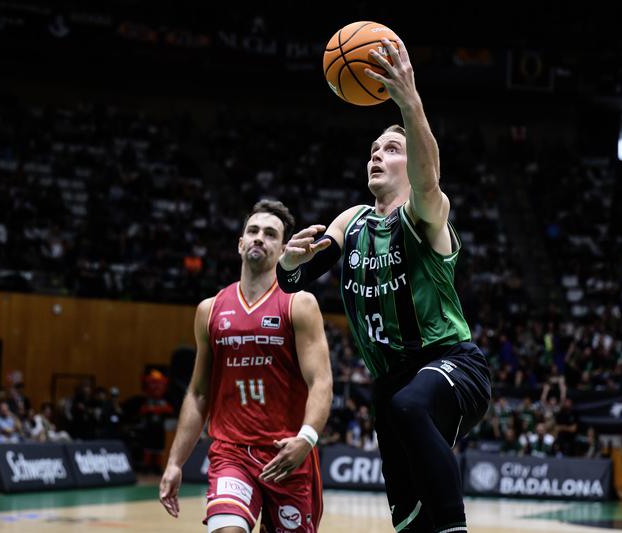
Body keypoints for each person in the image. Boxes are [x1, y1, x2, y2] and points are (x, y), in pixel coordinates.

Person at [276, 39, 491, 533]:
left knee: (411, 405)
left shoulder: (425, 215)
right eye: (373, 150)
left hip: (452, 362)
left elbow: (429, 176)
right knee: (408, 519)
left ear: (408, 165)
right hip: (390, 384)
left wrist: (409, 102)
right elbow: (295, 280)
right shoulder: (351, 221)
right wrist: (290, 262)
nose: (377, 155)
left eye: (391, 149)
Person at [159, 200, 333, 533]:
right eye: (252, 231)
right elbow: (198, 393)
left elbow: (321, 382)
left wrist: (306, 439)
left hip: (286, 454)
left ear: (284, 248)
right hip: (231, 453)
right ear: (240, 243)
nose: (259, 238)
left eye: (270, 234)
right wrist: (174, 463)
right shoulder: (209, 310)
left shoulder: (299, 304)